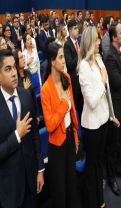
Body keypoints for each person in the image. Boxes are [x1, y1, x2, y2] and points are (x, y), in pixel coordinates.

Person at [0, 49, 44, 208]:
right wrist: (17, 135)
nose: (14, 73)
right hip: (11, 188)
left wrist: (40, 170)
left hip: (31, 180)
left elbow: (35, 137)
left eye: (14, 68)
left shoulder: (25, 95)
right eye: (8, 69)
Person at [78, 27, 119, 208]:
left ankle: (100, 201)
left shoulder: (99, 60)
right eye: (96, 39)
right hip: (92, 125)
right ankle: (91, 202)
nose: (99, 42)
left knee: (99, 162)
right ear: (88, 42)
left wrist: (111, 115)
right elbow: (92, 102)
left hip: (103, 120)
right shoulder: (84, 68)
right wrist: (102, 81)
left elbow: (107, 93)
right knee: (92, 165)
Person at [41, 43, 78, 208]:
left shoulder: (67, 78)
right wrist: (63, 103)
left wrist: (75, 136)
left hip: (69, 138)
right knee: (59, 191)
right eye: (61, 58)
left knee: (71, 185)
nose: (64, 61)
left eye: (64, 57)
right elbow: (50, 125)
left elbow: (73, 112)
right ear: (52, 61)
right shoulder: (45, 89)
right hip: (56, 146)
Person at [104, 22, 121, 196]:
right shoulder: (109, 56)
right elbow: (117, 81)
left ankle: (119, 168)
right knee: (113, 146)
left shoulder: (119, 52)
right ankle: (111, 177)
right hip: (115, 109)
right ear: (114, 37)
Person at [13, 49, 40, 125]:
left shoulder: (27, 73)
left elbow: (33, 95)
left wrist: (37, 114)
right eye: (21, 58)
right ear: (16, 62)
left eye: (23, 56)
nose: (23, 59)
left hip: (32, 112)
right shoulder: (15, 79)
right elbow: (18, 100)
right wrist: (25, 90)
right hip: (23, 117)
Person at [64, 20, 84, 120]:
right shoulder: (67, 45)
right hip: (75, 83)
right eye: (75, 29)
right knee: (77, 110)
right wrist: (79, 54)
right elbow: (70, 64)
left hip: (83, 79)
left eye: (77, 28)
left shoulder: (80, 42)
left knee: (84, 108)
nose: (77, 31)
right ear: (70, 31)